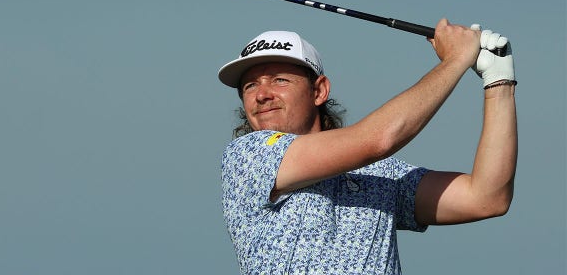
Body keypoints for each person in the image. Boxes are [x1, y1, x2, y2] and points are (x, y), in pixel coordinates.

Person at [217, 18, 517, 274]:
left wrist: (498, 81)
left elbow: (487, 198)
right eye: (250, 85)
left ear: (319, 91)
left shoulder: (375, 174)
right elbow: (378, 140)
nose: (261, 94)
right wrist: (456, 59)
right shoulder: (248, 157)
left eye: (279, 80)